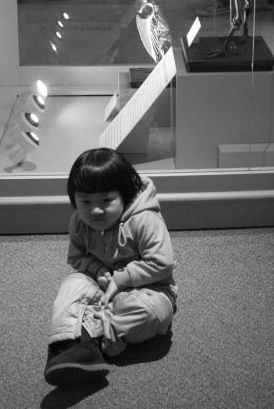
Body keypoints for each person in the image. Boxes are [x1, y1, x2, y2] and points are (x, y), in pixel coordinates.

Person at [44, 148, 177, 387]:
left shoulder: (145, 220)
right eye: (85, 201)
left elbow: (162, 263)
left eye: (106, 200)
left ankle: (87, 339)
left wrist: (122, 279)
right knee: (71, 284)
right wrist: (96, 269)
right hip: (100, 284)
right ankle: (71, 343)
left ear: (124, 194)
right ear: (74, 199)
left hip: (148, 288)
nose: (95, 210)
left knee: (155, 312)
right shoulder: (79, 222)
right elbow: (76, 258)